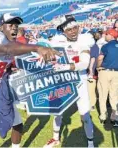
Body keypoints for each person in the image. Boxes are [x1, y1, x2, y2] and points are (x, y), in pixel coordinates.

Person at [0, 13, 61, 147]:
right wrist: (37, 47)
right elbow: (5, 50)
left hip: (2, 89)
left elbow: (11, 55)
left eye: (16, 25)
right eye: (10, 25)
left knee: (17, 124)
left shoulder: (11, 43)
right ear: (1, 27)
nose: (14, 28)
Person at [44, 15, 95, 148]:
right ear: (63, 31)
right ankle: (55, 138)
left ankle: (91, 142)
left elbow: (84, 63)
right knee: (58, 112)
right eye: (69, 29)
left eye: (75, 28)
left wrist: (65, 67)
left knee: (85, 114)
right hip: (63, 81)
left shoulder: (84, 40)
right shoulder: (57, 42)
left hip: (80, 80)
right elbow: (49, 57)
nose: (73, 31)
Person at [97, 28, 118, 126]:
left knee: (102, 95)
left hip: (105, 72)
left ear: (110, 35)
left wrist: (98, 66)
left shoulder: (106, 46)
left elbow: (100, 58)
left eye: (106, 34)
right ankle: (114, 117)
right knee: (114, 95)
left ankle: (103, 116)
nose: (105, 36)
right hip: (116, 73)